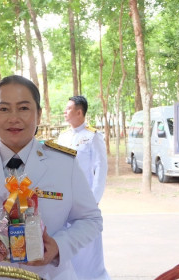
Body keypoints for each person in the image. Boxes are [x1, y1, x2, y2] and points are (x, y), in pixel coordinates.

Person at [0, 75, 103, 280]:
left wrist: (59, 246)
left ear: (39, 115)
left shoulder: (64, 164)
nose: (14, 118)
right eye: (4, 109)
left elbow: (91, 220)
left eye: (23, 108)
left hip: (49, 275)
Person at [58, 95, 110, 280]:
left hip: (84, 200)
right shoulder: (63, 137)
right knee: (65, 243)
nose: (65, 112)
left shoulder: (92, 136)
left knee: (87, 248)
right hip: (63, 200)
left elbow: (101, 169)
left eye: (68, 108)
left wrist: (93, 201)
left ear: (79, 112)